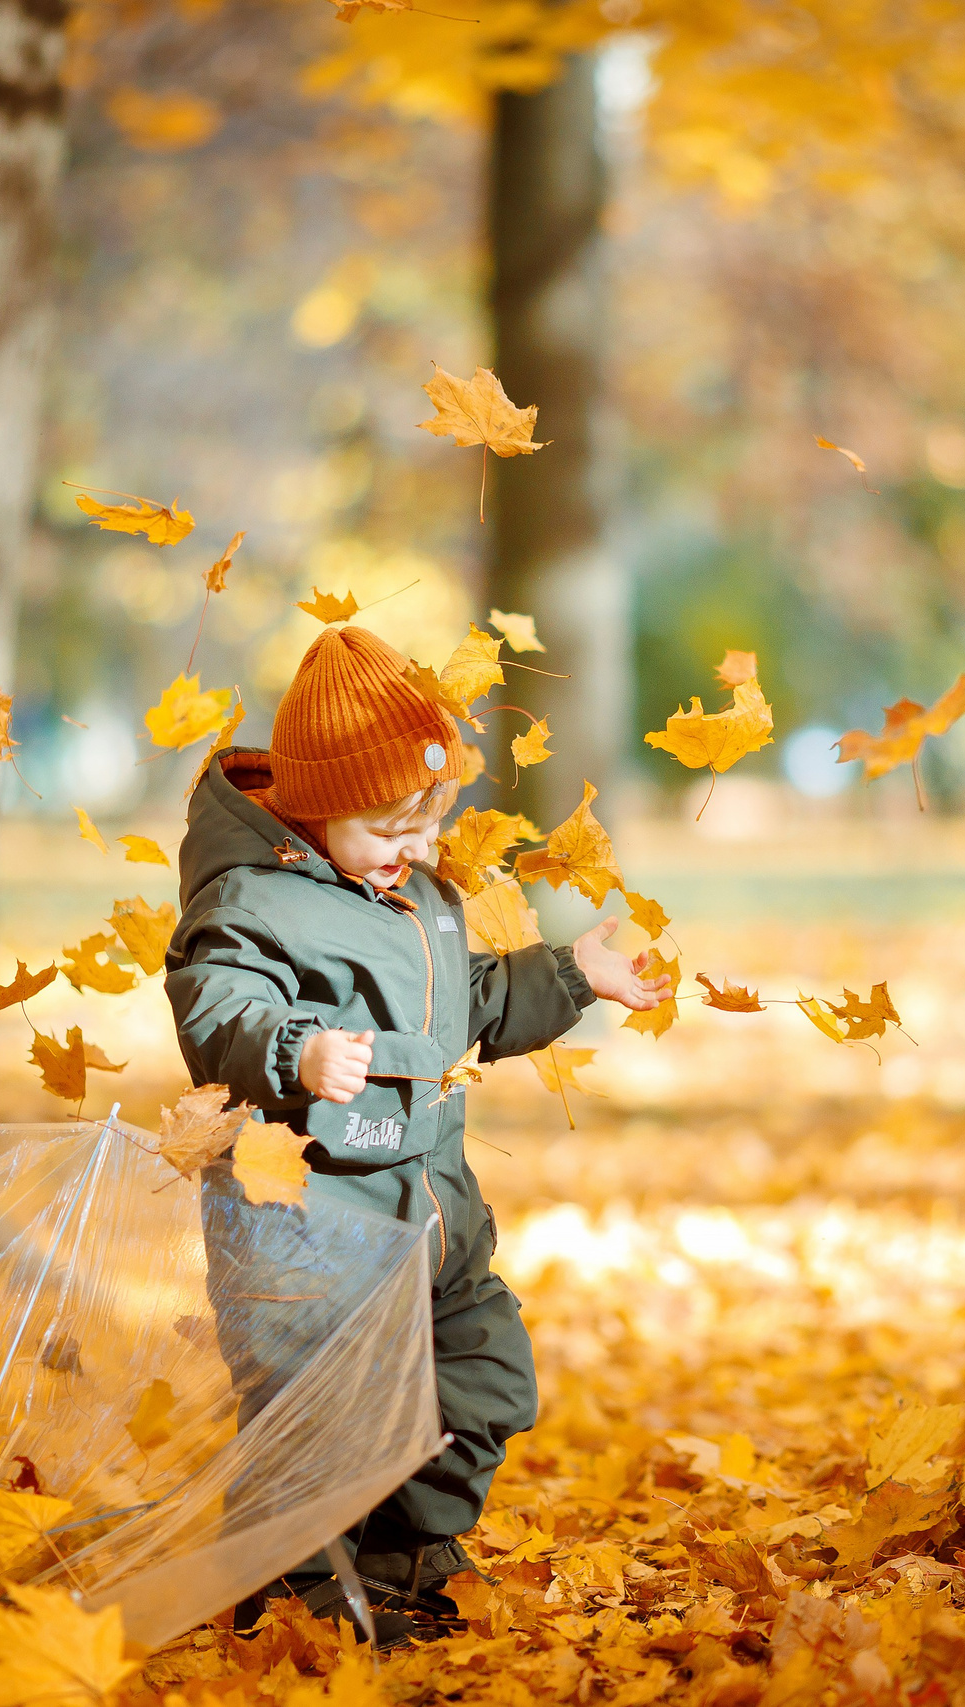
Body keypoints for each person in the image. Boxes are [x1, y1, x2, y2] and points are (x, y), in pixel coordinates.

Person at [166, 624, 669, 1640]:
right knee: (317, 1425)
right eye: (390, 825)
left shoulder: (415, 894)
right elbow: (215, 1003)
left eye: (428, 822)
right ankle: (304, 1608)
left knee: (481, 1380)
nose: (417, 847)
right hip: (309, 1223)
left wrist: (568, 976)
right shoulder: (251, 899)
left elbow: (468, 1004)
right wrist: (295, 1049)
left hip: (434, 1213)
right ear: (316, 805)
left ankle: (398, 1572)